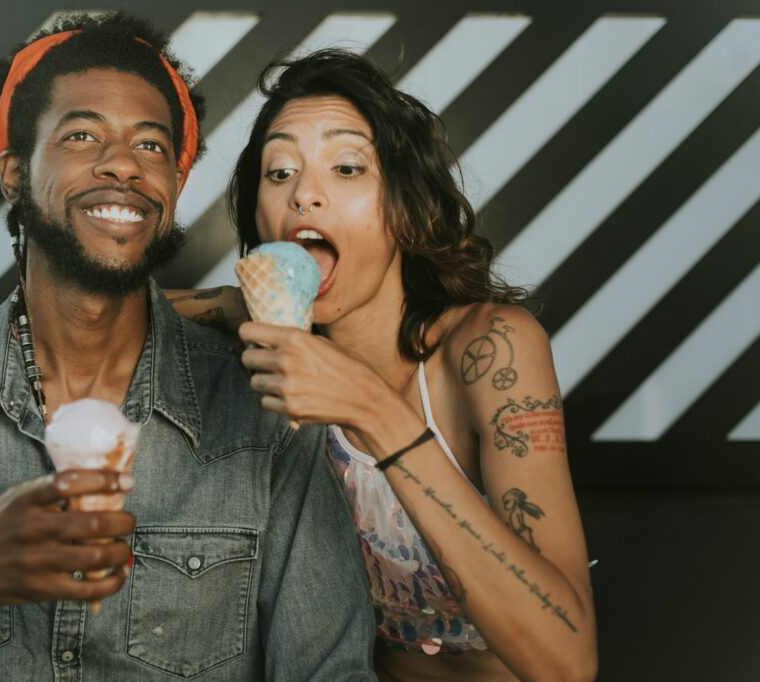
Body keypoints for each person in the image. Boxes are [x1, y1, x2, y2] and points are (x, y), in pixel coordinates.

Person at [0, 16, 376, 681]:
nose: (123, 163)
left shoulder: (266, 408)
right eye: (82, 135)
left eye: (152, 146)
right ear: (12, 172)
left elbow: (333, 671)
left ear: (173, 188)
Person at [218, 50, 598, 681]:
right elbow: (131, 313)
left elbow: (567, 663)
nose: (304, 195)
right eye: (279, 171)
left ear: (406, 206)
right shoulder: (273, 349)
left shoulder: (492, 348)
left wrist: (374, 410)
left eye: (346, 168)